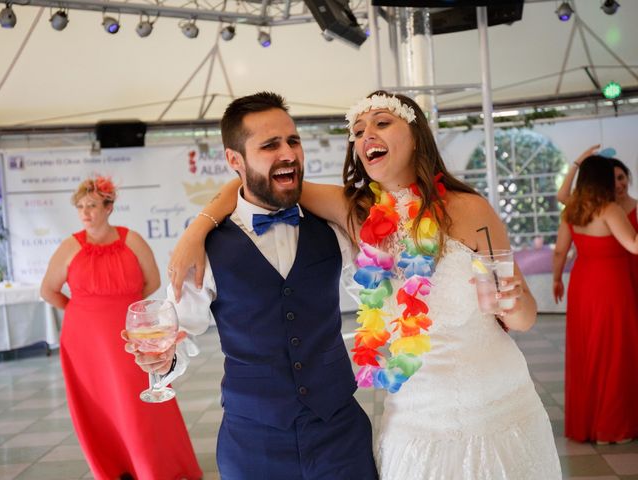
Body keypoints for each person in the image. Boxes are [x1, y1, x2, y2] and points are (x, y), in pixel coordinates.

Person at [167, 91, 561, 479]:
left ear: (415, 135)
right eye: (358, 130)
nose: (365, 135)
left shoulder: (469, 209)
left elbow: (523, 318)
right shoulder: (354, 212)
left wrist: (515, 301)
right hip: (414, 416)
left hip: (495, 402)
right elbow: (256, 184)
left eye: (382, 123)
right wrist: (197, 230)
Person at [130, 92, 378, 479]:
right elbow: (179, 329)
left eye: (293, 141)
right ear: (234, 160)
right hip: (253, 445)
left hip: (340, 436)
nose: (288, 153)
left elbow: (383, 278)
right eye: (270, 145)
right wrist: (163, 361)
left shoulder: (333, 227)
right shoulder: (205, 250)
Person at [40, 176, 202, 480]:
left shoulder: (132, 240)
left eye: (91, 205)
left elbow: (152, 281)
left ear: (109, 207)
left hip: (130, 335)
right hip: (83, 341)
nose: (85, 212)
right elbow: (48, 290)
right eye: (80, 207)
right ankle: (116, 467)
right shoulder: (69, 247)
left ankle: (156, 467)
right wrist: (82, 313)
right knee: (100, 405)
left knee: (141, 399)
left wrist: (124, 308)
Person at [553, 156, 638, 444]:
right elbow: (634, 245)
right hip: (612, 285)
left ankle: (590, 425)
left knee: (588, 350)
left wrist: (556, 279)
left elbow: (559, 251)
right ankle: (611, 427)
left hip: (583, 283)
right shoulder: (610, 209)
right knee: (614, 351)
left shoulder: (573, 210)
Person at [557, 145, 638, 283]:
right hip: (616, 277)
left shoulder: (632, 207)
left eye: (621, 177)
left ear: (627, 177)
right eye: (612, 180)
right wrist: (577, 163)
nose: (618, 185)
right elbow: (562, 196)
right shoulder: (602, 210)